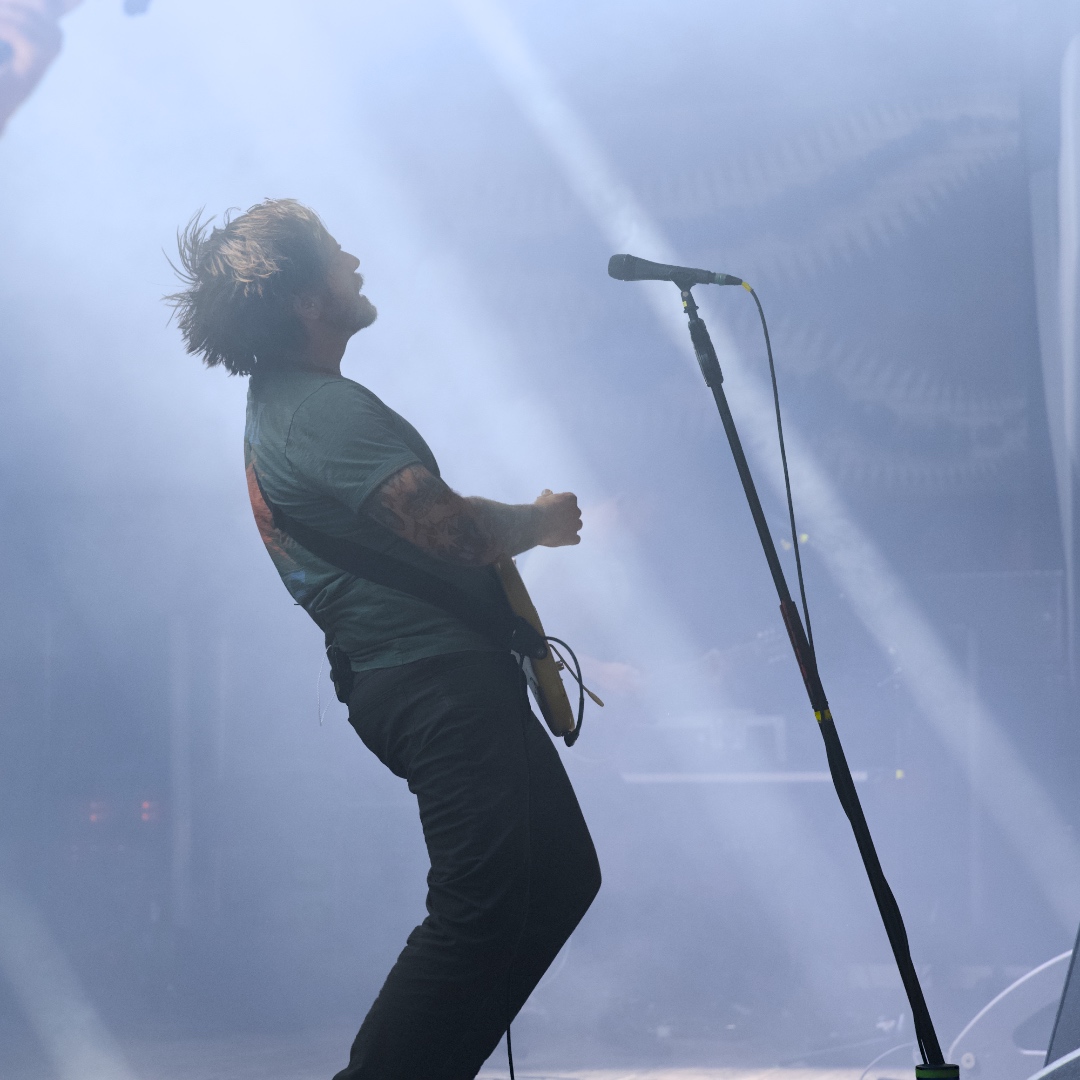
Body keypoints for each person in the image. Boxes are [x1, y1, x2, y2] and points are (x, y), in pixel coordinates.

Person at [167, 198, 601, 1080]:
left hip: (428, 678)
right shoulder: (319, 412)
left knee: (557, 878)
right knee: (481, 909)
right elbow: (456, 533)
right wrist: (543, 521)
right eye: (335, 253)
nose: (355, 262)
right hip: (435, 684)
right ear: (304, 299)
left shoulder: (290, 408)